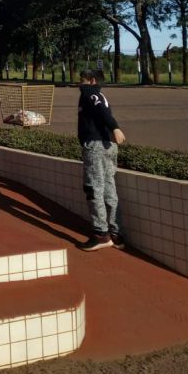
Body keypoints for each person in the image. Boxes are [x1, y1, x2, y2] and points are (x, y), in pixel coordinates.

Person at [78, 69, 126, 251]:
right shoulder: (99, 94)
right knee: (108, 189)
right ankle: (116, 233)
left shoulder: (89, 93)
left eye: (81, 80)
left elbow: (100, 109)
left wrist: (115, 127)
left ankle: (101, 234)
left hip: (96, 147)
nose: (79, 84)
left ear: (91, 81)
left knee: (93, 189)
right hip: (108, 146)